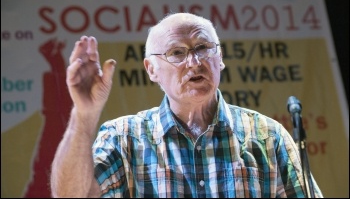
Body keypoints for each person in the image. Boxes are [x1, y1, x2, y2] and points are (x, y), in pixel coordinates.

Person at [50, 12, 323, 198]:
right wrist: (84, 115)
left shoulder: (267, 136)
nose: (195, 62)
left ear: (221, 58)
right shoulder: (123, 139)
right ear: (151, 69)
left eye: (203, 48)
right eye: (177, 52)